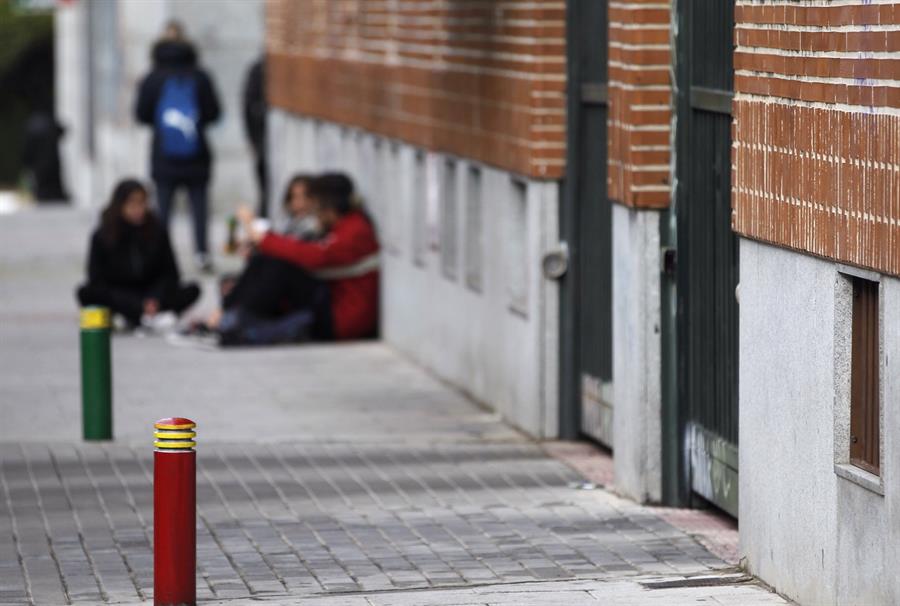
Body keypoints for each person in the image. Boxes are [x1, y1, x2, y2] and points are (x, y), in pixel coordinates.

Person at [135, 20, 222, 272]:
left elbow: (141, 115)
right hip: (198, 153)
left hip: (163, 153)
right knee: (200, 207)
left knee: (163, 210)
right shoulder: (199, 75)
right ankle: (201, 254)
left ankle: (162, 258)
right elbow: (214, 112)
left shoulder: (152, 77)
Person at [76, 179, 200, 328]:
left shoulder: (157, 231)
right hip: (120, 296)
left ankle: (146, 315)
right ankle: (138, 316)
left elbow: (170, 273)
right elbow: (96, 279)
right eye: (132, 203)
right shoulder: (103, 235)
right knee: (87, 293)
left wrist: (154, 298)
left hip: (151, 294)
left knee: (192, 289)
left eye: (142, 203)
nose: (138, 209)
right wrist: (134, 303)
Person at [242, 57, 268, 217]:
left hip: (261, 141)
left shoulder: (259, 68)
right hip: (263, 141)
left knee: (265, 191)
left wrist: (252, 139)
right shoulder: (260, 69)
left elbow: (247, 107)